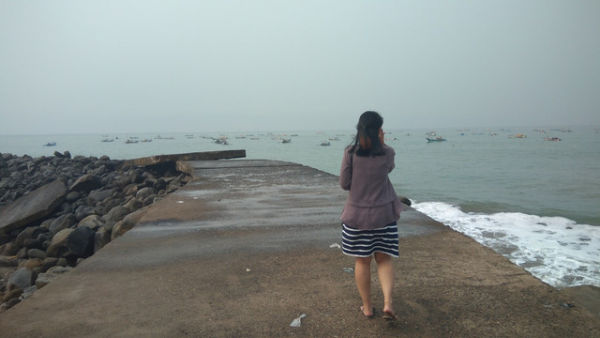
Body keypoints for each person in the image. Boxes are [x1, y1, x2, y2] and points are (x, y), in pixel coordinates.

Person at [339, 111, 402, 320]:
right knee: (384, 259)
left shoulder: (350, 153)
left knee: (362, 262)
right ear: (379, 131)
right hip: (384, 216)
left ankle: (367, 307)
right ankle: (387, 303)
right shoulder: (387, 153)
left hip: (357, 218)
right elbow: (388, 169)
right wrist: (382, 145)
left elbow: (344, 184)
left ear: (359, 130)